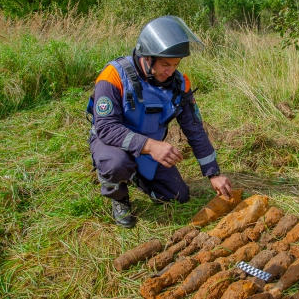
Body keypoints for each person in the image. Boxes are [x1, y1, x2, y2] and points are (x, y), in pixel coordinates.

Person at [87, 15, 233, 228]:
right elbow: (106, 128)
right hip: (112, 144)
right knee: (116, 163)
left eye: (176, 64)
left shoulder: (178, 83)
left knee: (178, 196)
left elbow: (194, 128)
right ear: (146, 57)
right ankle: (118, 197)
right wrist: (150, 145)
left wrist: (213, 173)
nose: (170, 71)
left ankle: (136, 173)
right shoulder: (113, 76)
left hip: (148, 149)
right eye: (165, 64)